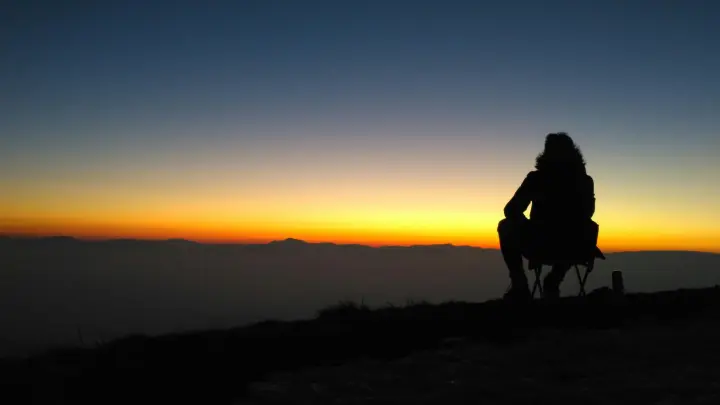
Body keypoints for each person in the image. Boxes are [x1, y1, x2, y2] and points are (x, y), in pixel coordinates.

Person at [497, 132, 597, 302]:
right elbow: (588, 214)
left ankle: (519, 284)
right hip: (575, 248)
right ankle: (553, 281)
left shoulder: (535, 179)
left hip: (540, 244)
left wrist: (527, 224)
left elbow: (511, 210)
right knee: (580, 230)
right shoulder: (585, 181)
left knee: (505, 225)